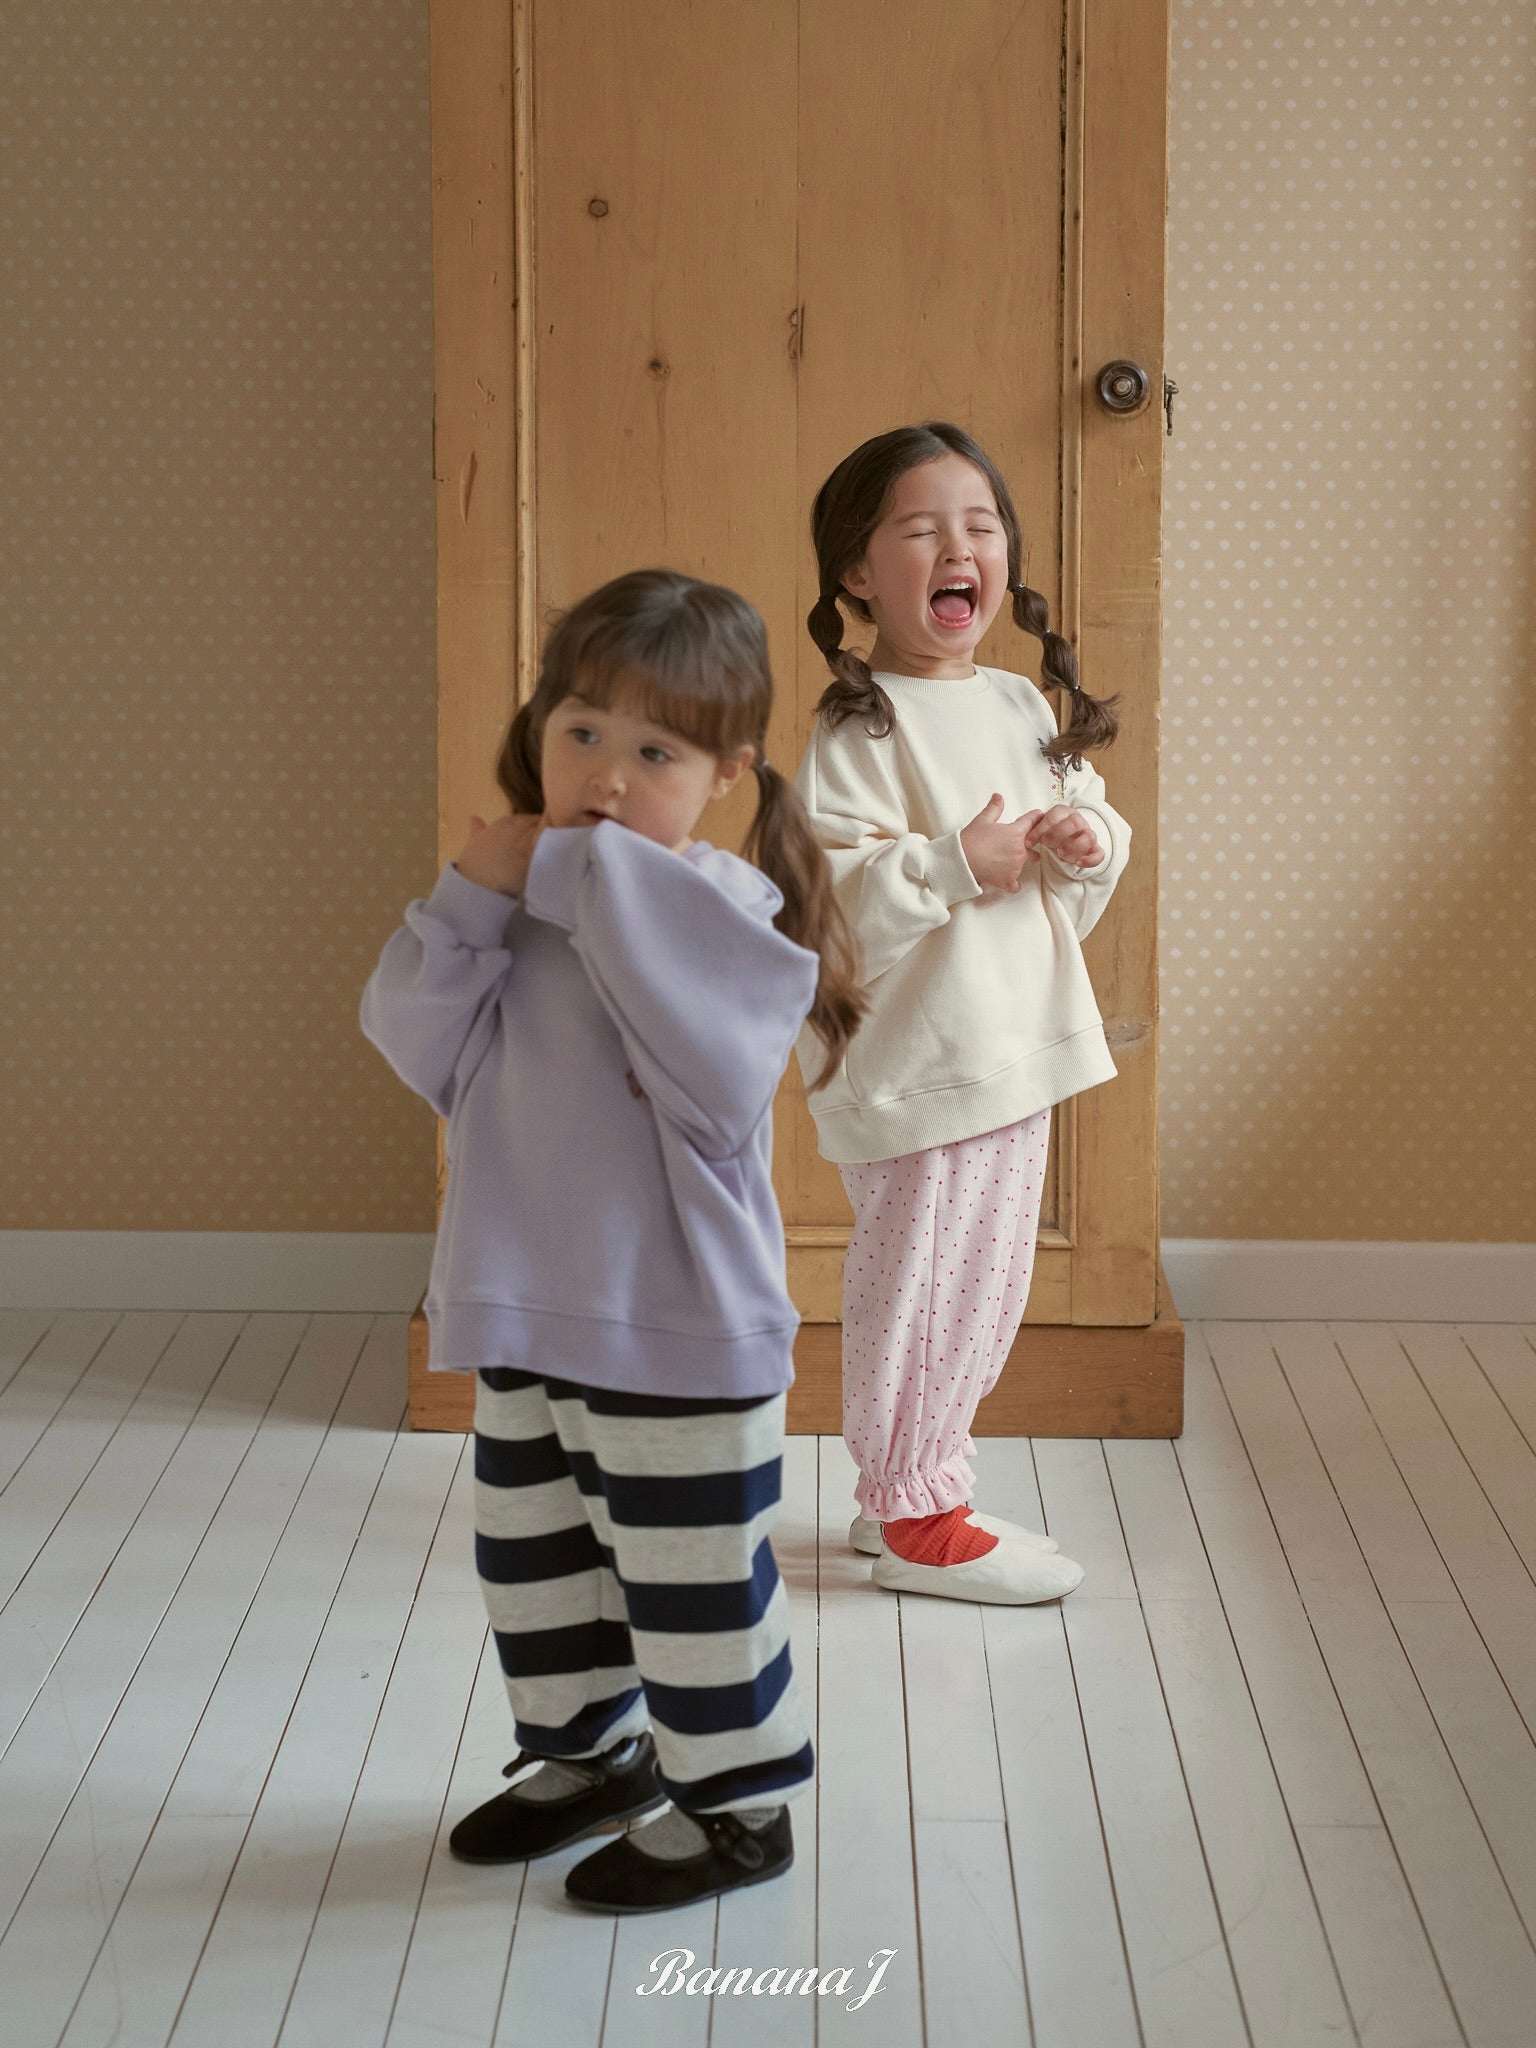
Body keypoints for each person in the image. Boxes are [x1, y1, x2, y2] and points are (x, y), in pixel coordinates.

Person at [361, 569, 863, 1912]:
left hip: (682, 1336)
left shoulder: (720, 916)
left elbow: (699, 1055)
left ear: (725, 774)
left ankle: (742, 1807)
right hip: (528, 1312)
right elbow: (418, 1044)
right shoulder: (520, 907)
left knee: (691, 1588)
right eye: (581, 732)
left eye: (655, 752)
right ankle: (594, 1756)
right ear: (537, 731)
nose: (606, 775)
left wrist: (563, 865)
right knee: (542, 1575)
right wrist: (472, 894)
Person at [795, 420, 1133, 1604]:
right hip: (921, 1067)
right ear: (857, 570)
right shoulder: (857, 727)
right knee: (926, 1287)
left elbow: (1078, 873)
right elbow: (825, 906)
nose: (959, 547)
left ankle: (921, 1485)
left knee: (981, 1289)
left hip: (1010, 1049)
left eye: (979, 525)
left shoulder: (1014, 702)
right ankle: (912, 1513)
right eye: (922, 528)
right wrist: (952, 860)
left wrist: (1086, 840)